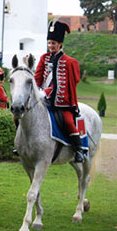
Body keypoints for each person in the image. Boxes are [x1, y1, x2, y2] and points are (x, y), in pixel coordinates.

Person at [34, 20, 83, 163]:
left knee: (68, 121)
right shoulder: (44, 58)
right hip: (43, 99)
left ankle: (78, 149)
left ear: (60, 44)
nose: (51, 46)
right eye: (49, 43)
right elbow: (38, 77)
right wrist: (37, 91)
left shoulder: (70, 62)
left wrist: (48, 91)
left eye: (53, 43)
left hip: (62, 102)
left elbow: (71, 82)